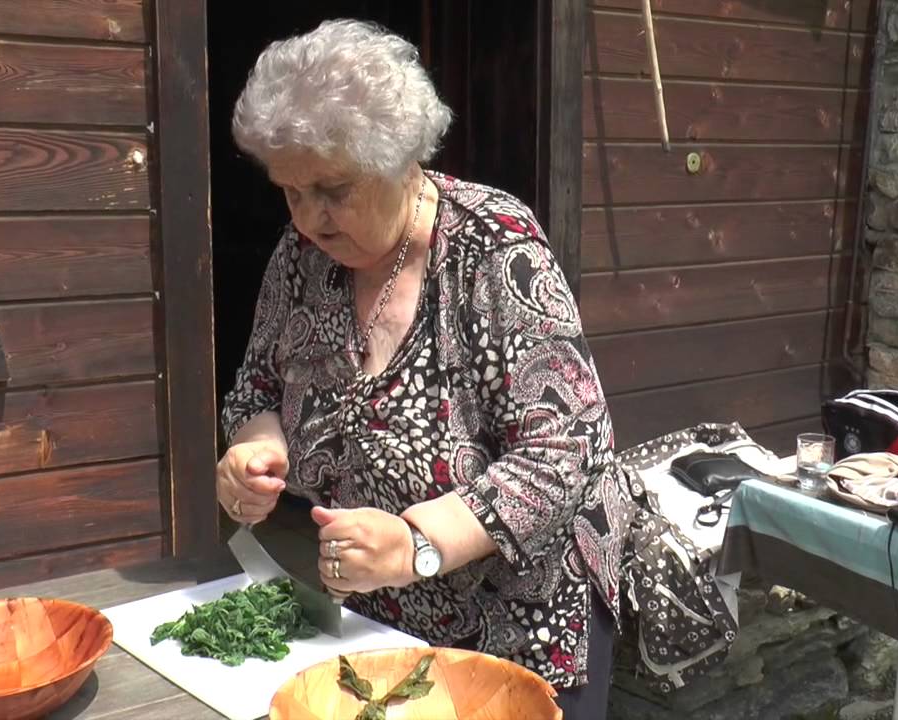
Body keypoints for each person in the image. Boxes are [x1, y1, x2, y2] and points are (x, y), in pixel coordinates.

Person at [216, 19, 634, 717]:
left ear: (400, 159)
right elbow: (258, 383)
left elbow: (568, 453)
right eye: (290, 190)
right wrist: (254, 452)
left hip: (521, 622)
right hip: (381, 617)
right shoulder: (300, 256)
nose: (310, 217)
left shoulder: (494, 244)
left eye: (333, 188)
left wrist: (417, 543)